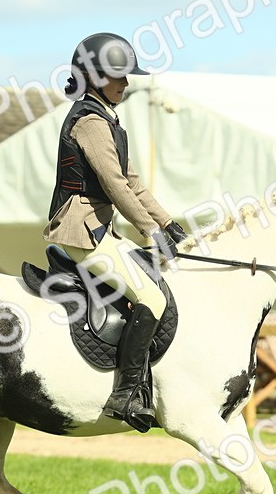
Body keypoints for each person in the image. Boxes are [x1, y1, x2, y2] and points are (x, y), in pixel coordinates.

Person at [43, 32, 188, 433]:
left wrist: (167, 222)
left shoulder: (106, 116)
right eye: (118, 75)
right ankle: (125, 394)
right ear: (93, 76)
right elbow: (114, 186)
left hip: (98, 228)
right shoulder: (89, 120)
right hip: (80, 231)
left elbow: (131, 179)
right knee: (151, 298)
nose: (126, 83)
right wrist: (148, 231)